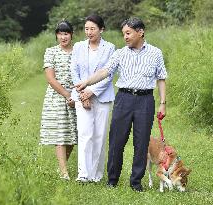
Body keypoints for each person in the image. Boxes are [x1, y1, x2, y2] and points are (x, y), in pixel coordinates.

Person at [75, 17, 167, 191]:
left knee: (141, 143)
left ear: (140, 32)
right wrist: (87, 82)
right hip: (124, 100)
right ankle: (112, 179)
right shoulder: (120, 53)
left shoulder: (156, 53)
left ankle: (136, 182)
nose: (125, 37)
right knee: (117, 141)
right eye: (123, 33)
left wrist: (163, 103)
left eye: (128, 33)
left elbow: (161, 78)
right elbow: (104, 71)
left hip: (145, 101)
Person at [70, 14, 115, 182]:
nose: (89, 32)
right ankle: (83, 174)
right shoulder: (79, 47)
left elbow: (108, 74)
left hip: (102, 97)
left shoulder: (110, 48)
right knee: (84, 134)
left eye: (92, 29)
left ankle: (96, 175)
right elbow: (74, 71)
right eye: (86, 29)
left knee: (99, 136)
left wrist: (92, 91)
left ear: (101, 29)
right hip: (81, 96)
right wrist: (83, 94)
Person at [40, 20, 77, 180]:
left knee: (73, 136)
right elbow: (50, 78)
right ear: (56, 35)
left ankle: (62, 167)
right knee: (60, 135)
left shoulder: (78, 51)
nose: (63, 37)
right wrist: (67, 95)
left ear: (71, 35)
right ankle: (64, 172)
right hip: (57, 97)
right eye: (60, 34)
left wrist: (75, 95)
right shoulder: (51, 52)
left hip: (76, 97)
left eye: (66, 33)